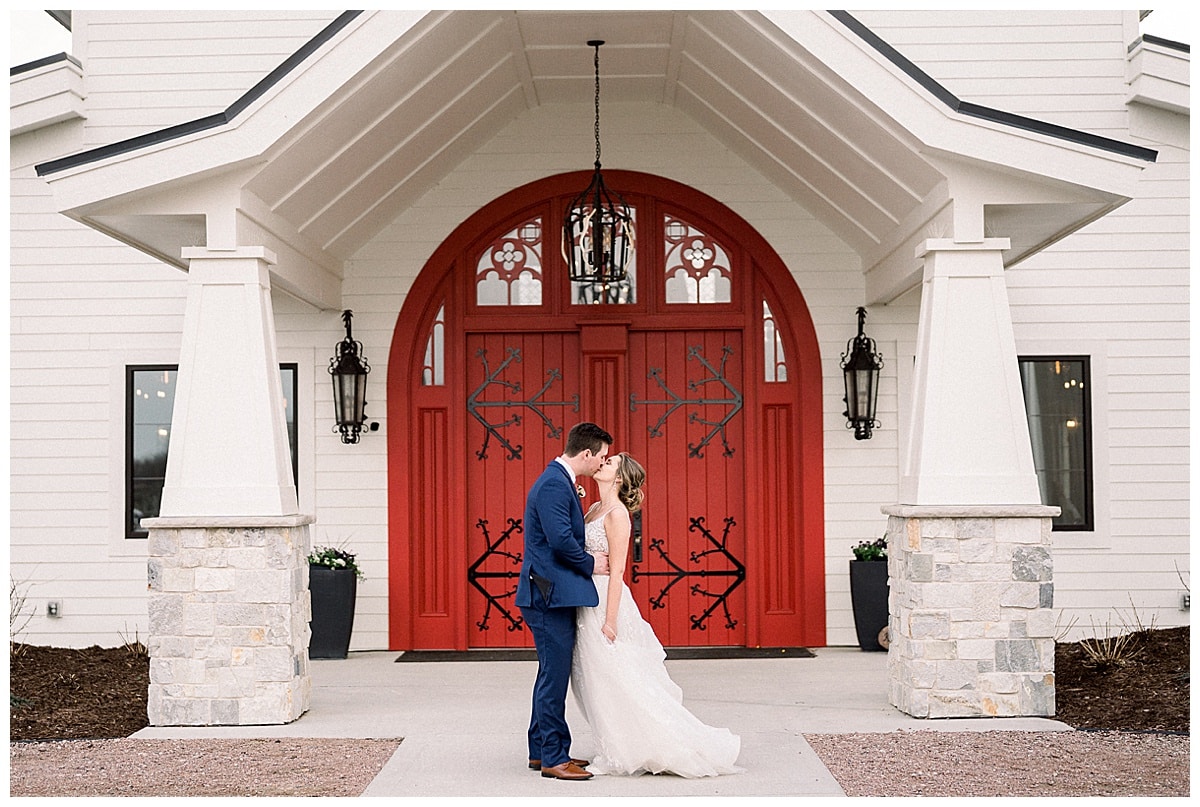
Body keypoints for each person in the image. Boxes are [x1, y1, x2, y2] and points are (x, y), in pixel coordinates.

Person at [571, 452, 742, 777]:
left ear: (619, 478)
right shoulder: (594, 508)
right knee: (592, 677)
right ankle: (612, 743)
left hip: (605, 599)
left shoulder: (619, 515)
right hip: (584, 598)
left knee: (617, 675)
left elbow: (619, 570)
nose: (603, 464)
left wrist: (610, 620)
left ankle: (637, 748)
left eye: (610, 463)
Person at [516, 422, 613, 781]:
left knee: (549, 673)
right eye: (600, 456)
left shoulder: (557, 480)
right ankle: (555, 758)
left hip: (548, 592)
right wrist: (591, 563)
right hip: (547, 595)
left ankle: (540, 750)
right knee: (554, 677)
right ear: (585, 454)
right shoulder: (555, 484)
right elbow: (559, 541)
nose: (602, 463)